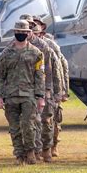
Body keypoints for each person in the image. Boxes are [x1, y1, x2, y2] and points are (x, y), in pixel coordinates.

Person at [0, 20, 45, 165]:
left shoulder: (37, 53)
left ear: (29, 33)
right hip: (10, 95)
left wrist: (40, 96)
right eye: (19, 32)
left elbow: (40, 76)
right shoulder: (6, 53)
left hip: (29, 95)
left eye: (24, 32)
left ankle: (30, 152)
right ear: (14, 33)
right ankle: (19, 155)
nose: (21, 34)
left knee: (29, 125)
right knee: (14, 128)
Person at [19, 14, 62, 162]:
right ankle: (34, 151)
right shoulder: (16, 45)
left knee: (46, 121)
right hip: (26, 89)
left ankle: (47, 149)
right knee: (31, 121)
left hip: (43, 88)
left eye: (32, 26)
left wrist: (52, 91)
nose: (29, 29)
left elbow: (52, 71)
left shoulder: (45, 47)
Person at [33, 15, 69, 157]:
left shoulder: (50, 46)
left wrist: (61, 90)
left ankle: (51, 146)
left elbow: (60, 68)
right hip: (32, 89)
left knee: (52, 119)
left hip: (51, 88)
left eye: (36, 25)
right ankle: (36, 148)